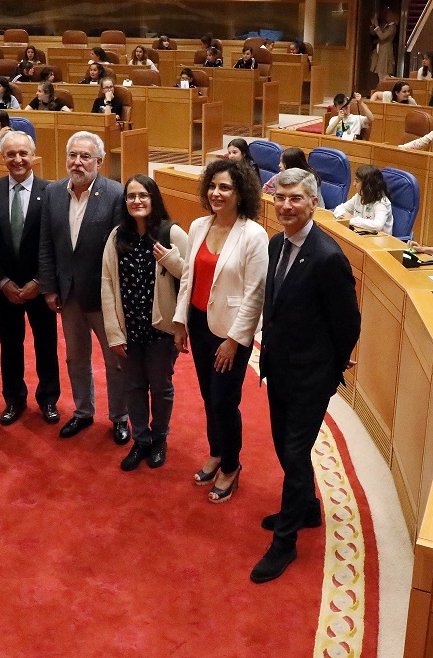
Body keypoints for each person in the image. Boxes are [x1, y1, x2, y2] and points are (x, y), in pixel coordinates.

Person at [253, 167, 360, 583]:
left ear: (314, 202)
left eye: (295, 198)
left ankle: (286, 541)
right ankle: (309, 509)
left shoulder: (329, 256)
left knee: (295, 454)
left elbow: (348, 324)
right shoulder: (277, 242)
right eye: (280, 198)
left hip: (311, 377)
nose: (285, 206)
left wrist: (330, 371)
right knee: (283, 446)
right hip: (279, 366)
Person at [172, 158, 268, 503]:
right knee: (206, 396)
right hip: (198, 323)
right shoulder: (199, 226)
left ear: (240, 193)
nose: (216, 193)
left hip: (229, 333)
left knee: (224, 401)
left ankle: (231, 466)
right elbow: (188, 277)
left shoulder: (254, 235)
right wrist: (180, 321)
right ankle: (216, 451)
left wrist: (234, 341)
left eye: (225, 187)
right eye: (212, 186)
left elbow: (256, 293)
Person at [38, 132, 129, 442]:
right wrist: (49, 287)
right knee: (76, 358)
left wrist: (119, 297)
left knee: (115, 361)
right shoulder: (52, 192)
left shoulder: (116, 194)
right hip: (69, 294)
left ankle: (119, 417)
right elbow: (46, 243)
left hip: (104, 297)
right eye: (72, 155)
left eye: (85, 156)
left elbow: (122, 250)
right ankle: (83, 411)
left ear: (99, 162)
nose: (77, 162)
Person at [101, 174, 188, 471]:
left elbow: (190, 279)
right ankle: (141, 440)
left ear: (154, 199)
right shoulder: (117, 236)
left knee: (161, 386)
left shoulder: (172, 233)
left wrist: (171, 262)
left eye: (143, 195)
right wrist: (113, 332)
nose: (136, 201)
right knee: (134, 386)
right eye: (131, 196)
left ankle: (160, 438)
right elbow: (107, 284)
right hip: (129, 328)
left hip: (161, 330)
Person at [0, 131, 62, 426]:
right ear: (3, 157)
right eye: (11, 154)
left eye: (23, 153)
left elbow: (56, 242)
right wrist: (2, 282)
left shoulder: (52, 191)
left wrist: (40, 282)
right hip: (7, 290)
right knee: (10, 346)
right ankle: (14, 399)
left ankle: (49, 398)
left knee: (46, 345)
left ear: (33, 155)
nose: (18, 159)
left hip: (39, 288)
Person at [333, 164, 393, 235]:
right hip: (361, 235)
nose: (354, 184)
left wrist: (352, 219)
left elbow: (378, 225)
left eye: (357, 181)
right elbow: (339, 208)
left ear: (368, 185)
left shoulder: (382, 202)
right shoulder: (359, 196)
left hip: (380, 241)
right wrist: (344, 215)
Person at [261, 146, 325, 208]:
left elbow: (311, 205)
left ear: (291, 164)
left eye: (282, 162)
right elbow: (265, 189)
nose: (279, 165)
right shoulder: (281, 175)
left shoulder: (308, 179)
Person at [369, 8, 398, 80]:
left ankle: (385, 88)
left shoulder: (393, 27)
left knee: (384, 73)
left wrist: (377, 26)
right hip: (379, 51)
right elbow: (373, 33)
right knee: (379, 73)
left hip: (385, 52)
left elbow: (382, 37)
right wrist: (373, 25)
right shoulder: (385, 25)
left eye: (388, 15)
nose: (386, 17)